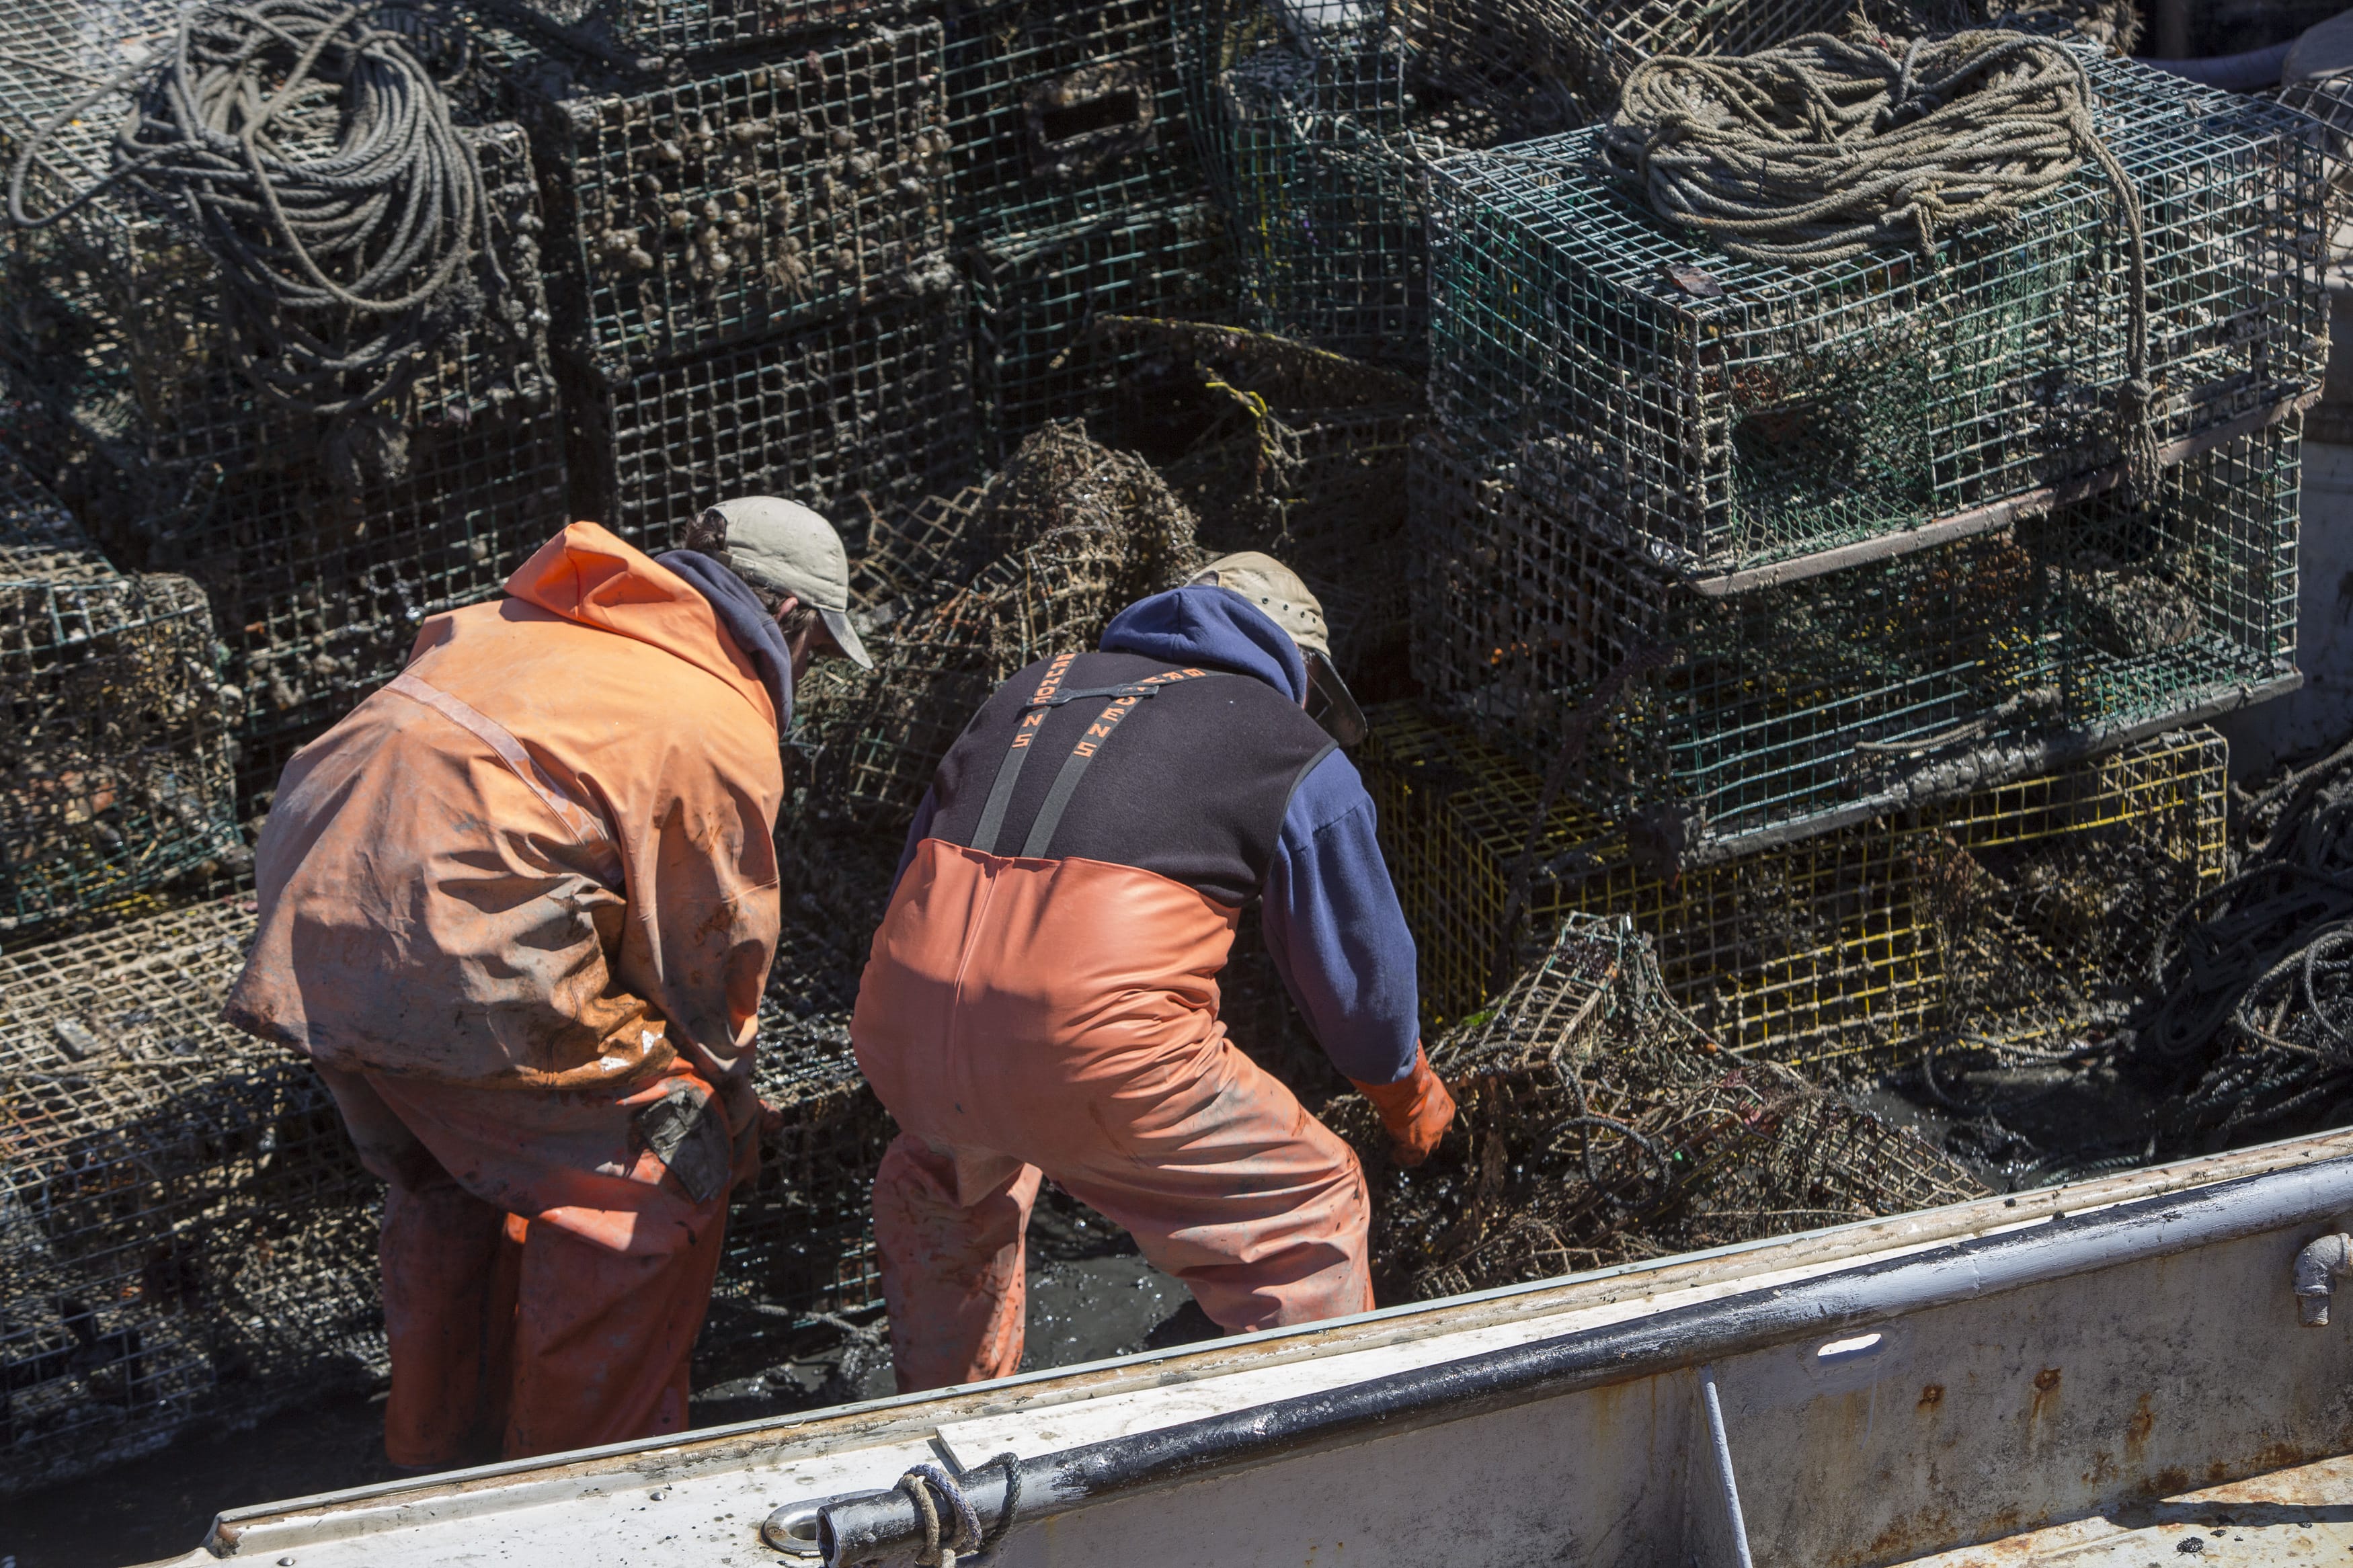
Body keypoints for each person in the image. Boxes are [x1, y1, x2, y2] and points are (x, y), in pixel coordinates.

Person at [222, 499, 870, 1467]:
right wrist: (725, 1089)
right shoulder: (712, 718)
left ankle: (429, 1465)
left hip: (312, 938)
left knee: (447, 1177)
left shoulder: (507, 624)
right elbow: (708, 956)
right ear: (789, 618)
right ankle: (580, 1494)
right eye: (816, 649)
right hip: (453, 959)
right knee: (667, 1168)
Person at [852, 552, 1457, 1391]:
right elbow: (1361, 976)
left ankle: (943, 1424)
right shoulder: (1288, 741)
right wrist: (1409, 1102)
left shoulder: (1032, 685)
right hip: (1095, 1050)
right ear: (1301, 665)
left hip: (899, 1032)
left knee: (949, 1175)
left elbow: (913, 883)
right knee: (1305, 1207)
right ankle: (1310, 1463)